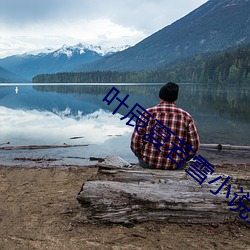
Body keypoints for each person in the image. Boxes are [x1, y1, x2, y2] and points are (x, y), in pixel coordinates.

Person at [130, 82, 200, 170]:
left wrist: (141, 155)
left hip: (149, 162)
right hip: (176, 165)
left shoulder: (147, 114)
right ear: (175, 98)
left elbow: (135, 142)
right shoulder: (186, 116)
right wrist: (183, 159)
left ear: (160, 96)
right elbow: (194, 146)